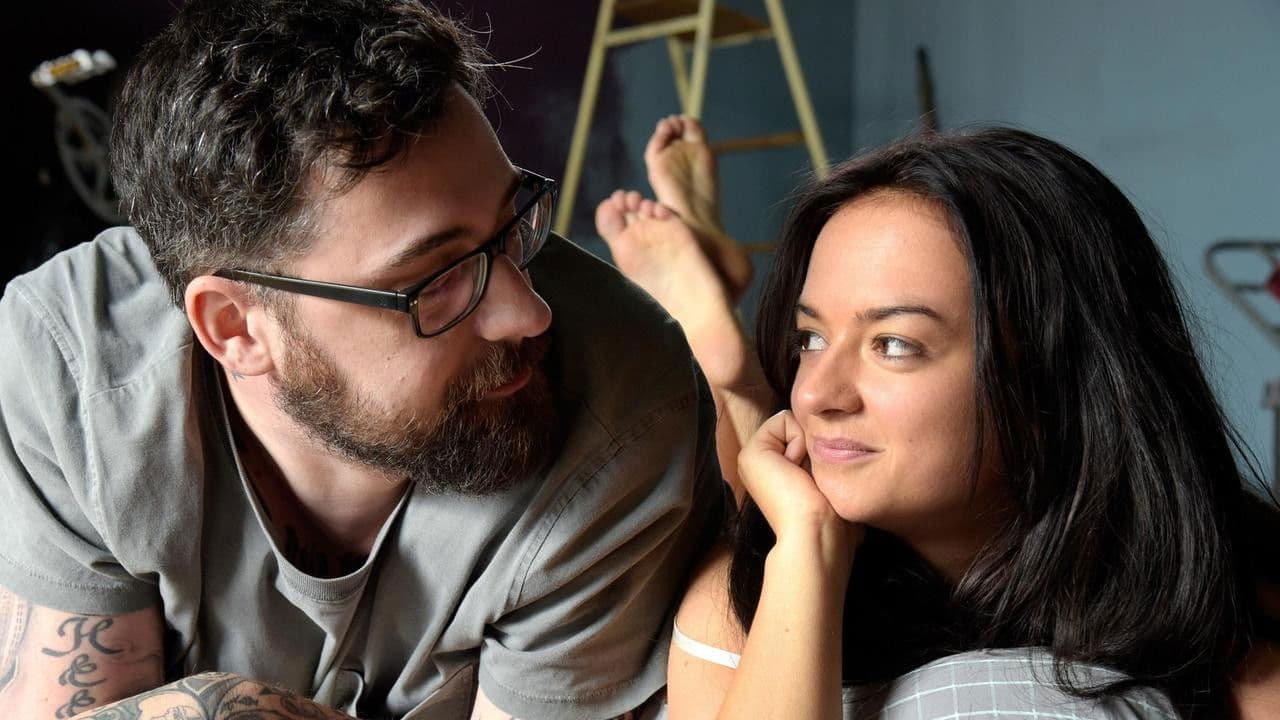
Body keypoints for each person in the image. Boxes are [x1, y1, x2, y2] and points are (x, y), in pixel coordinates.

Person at [0, 2, 727, 718]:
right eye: (435, 279)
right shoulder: (72, 368)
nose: (527, 312)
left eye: (512, 226)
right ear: (235, 327)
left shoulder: (624, 408)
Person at [597, 121, 1280, 718]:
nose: (816, 393)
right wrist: (805, 549)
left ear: (1049, 380)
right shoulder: (748, 591)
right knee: (754, 486)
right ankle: (721, 360)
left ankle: (720, 355)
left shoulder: (1227, 602)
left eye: (895, 345)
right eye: (810, 338)